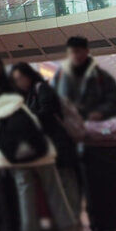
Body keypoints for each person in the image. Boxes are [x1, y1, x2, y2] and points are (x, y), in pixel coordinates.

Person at [0, 84, 79, 231]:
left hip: (15, 159)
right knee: (55, 191)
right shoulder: (16, 102)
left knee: (25, 194)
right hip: (42, 153)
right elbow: (36, 123)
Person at [10, 62, 82, 218]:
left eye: (21, 77)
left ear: (28, 75)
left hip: (59, 144)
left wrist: (27, 119)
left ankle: (73, 221)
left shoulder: (41, 88)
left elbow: (47, 113)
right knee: (60, 185)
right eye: (16, 79)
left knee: (66, 183)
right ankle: (68, 221)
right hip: (50, 146)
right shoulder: (30, 94)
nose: (19, 82)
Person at [53, 37, 116, 122]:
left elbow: (114, 100)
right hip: (68, 127)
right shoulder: (60, 75)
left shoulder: (101, 76)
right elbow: (51, 99)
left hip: (94, 128)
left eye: (78, 51)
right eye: (71, 52)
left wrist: (101, 112)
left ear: (86, 51)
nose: (75, 55)